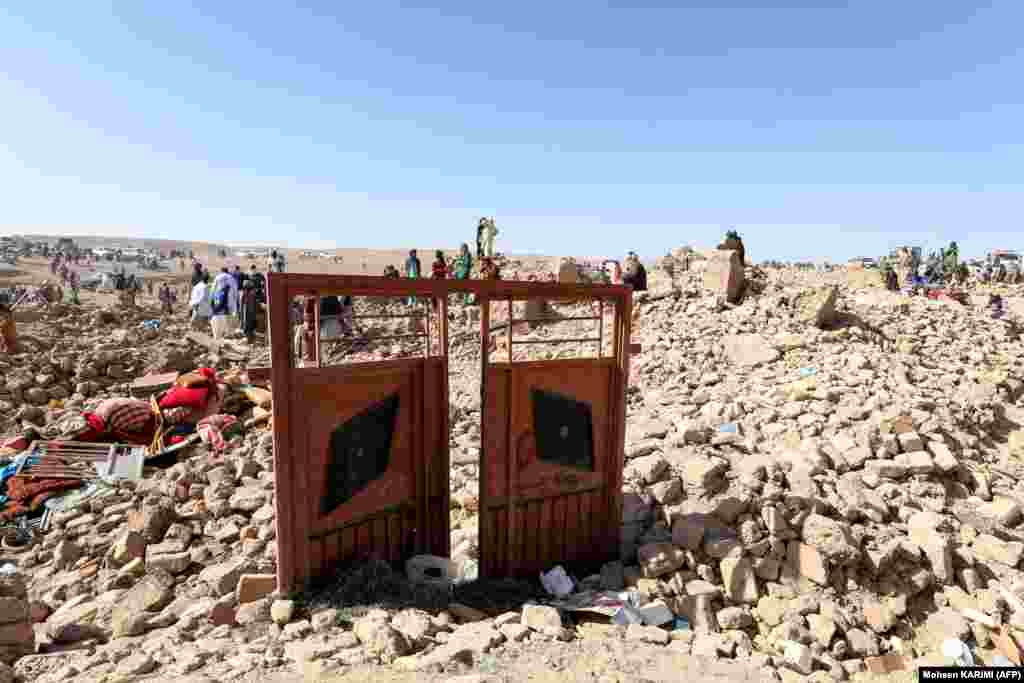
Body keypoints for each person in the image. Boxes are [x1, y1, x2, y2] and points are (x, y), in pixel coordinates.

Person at [210, 267, 238, 339]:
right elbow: (235, 288)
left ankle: (219, 333)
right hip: (230, 299)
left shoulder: (217, 277)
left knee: (220, 315)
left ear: (221, 271)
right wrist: (235, 298)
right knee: (229, 316)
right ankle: (229, 333)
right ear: (227, 271)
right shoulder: (231, 277)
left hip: (219, 299)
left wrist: (212, 299)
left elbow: (213, 289)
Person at [239, 280, 259, 344]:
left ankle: (249, 340)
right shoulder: (251, 295)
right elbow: (252, 308)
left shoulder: (243, 294)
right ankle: (250, 341)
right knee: (249, 329)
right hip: (249, 317)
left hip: (246, 317)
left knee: (248, 329)